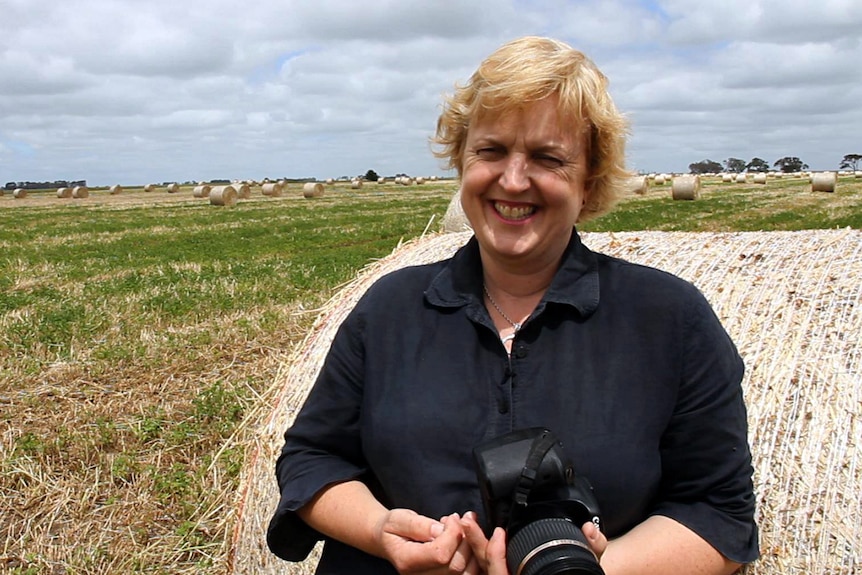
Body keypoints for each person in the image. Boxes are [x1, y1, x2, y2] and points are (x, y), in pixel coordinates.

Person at [267, 36, 759, 574]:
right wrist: (379, 530)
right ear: (461, 161)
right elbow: (311, 459)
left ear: (589, 180)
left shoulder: (669, 318)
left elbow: (717, 510)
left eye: (548, 158)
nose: (514, 179)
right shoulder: (390, 309)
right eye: (491, 150)